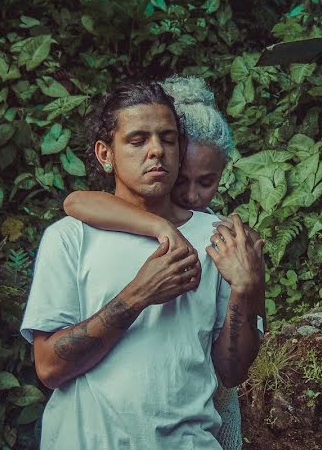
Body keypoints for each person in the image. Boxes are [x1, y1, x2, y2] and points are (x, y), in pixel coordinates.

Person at [20, 81, 265, 449]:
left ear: (181, 149)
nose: (156, 151)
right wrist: (138, 295)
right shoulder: (70, 237)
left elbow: (230, 373)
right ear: (106, 154)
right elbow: (50, 368)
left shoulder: (221, 240)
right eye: (137, 141)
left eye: (168, 139)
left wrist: (247, 290)